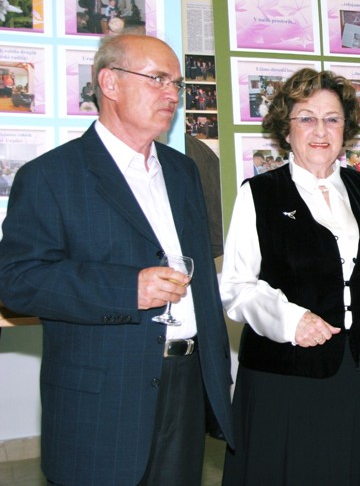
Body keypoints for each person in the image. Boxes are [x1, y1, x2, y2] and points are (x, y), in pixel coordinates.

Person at [0, 33, 234, 486]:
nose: (172, 94)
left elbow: (201, 276)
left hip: (187, 385)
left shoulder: (183, 171)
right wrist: (128, 290)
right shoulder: (50, 176)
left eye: (177, 84)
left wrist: (216, 375)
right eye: (158, 79)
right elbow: (17, 281)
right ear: (109, 83)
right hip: (102, 398)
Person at [220, 68, 360, 485]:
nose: (320, 130)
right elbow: (236, 287)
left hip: (358, 374)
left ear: (345, 129)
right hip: (285, 379)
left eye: (332, 119)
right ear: (286, 130)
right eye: (306, 118)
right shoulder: (259, 193)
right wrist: (291, 320)